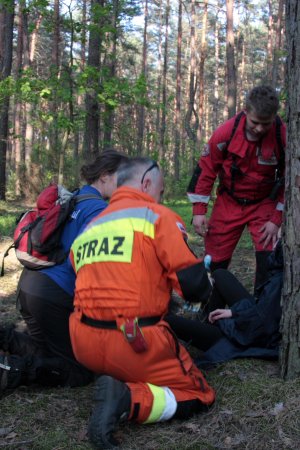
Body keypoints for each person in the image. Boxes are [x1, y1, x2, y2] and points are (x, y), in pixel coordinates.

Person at [69, 157, 215, 449]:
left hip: (82, 343)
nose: (160, 197)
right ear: (147, 183)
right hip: (133, 341)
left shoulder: (89, 228)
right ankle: (128, 399)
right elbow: (195, 287)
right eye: (160, 191)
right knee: (199, 394)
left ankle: (114, 378)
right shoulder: (157, 216)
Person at [0, 150, 128, 393]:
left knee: (44, 350)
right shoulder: (99, 210)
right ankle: (10, 370)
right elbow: (93, 265)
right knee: (79, 371)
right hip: (52, 295)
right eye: (122, 177)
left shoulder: (74, 197)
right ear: (104, 176)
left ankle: (4, 338)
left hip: (30, 285)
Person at [187, 85, 286, 292]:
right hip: (229, 202)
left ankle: (262, 310)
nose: (259, 129)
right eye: (255, 122)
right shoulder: (226, 133)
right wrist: (198, 211)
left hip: (264, 203)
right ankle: (210, 309)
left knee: (269, 255)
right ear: (245, 111)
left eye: (265, 124)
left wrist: (276, 219)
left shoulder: (282, 135)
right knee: (215, 258)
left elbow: (291, 180)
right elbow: (206, 170)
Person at [166, 239, 283, 365]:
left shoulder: (280, 282)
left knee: (168, 320)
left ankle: (211, 334)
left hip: (248, 338)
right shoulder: (281, 274)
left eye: (278, 240)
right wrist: (233, 312)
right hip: (254, 320)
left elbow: (259, 327)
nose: (275, 242)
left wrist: (231, 318)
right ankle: (209, 325)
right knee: (221, 275)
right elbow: (263, 308)